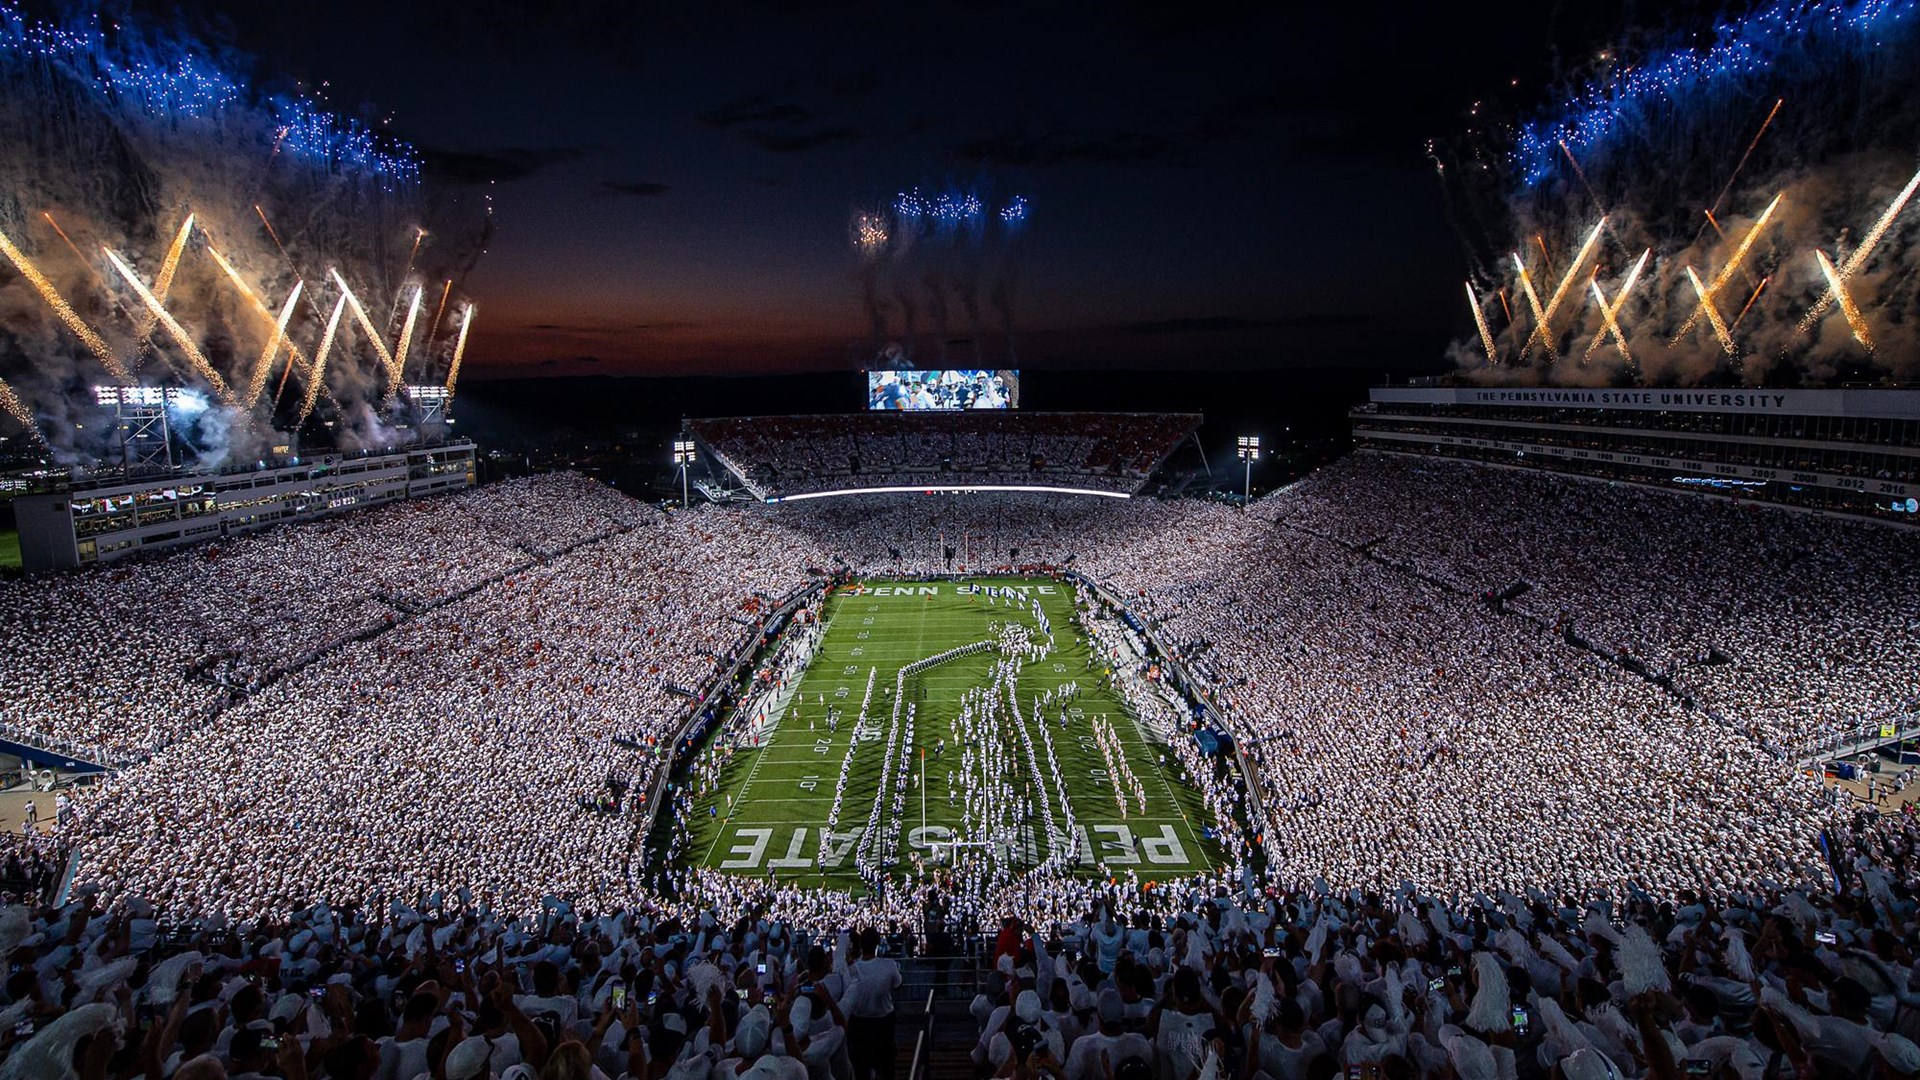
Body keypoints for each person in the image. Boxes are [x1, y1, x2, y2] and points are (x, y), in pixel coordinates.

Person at [841, 928, 902, 1080]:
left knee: (861, 1067)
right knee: (887, 1064)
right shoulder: (889, 965)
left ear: (861, 945)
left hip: (859, 1022)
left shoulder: (852, 968)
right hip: (884, 1020)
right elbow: (898, 985)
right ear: (877, 943)